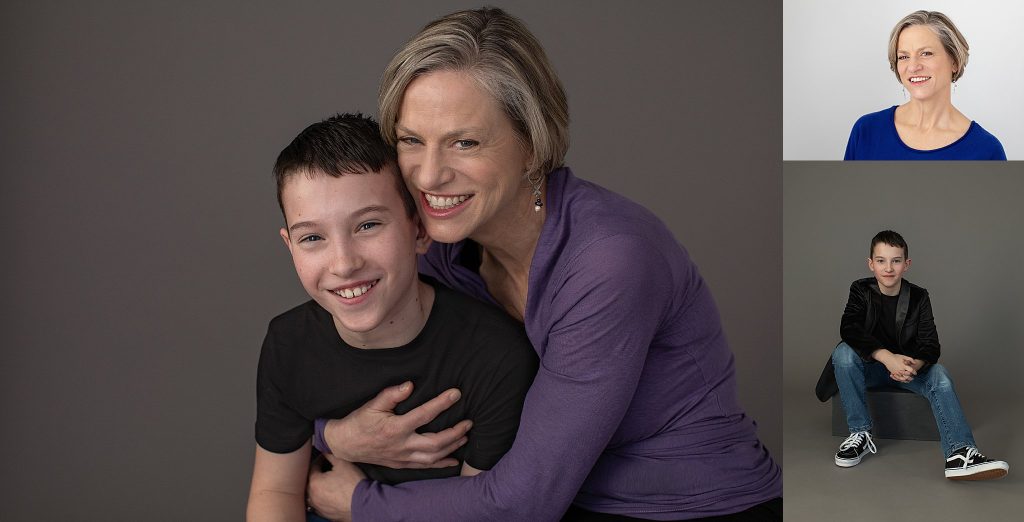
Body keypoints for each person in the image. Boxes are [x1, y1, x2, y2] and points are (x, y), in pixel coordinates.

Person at [304, 8, 782, 521]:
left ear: (532, 145)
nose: (429, 174)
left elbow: (524, 505)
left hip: (680, 506)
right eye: (411, 140)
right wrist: (336, 433)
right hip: (536, 496)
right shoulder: (437, 242)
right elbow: (329, 371)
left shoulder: (611, 260)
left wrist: (356, 503)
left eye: (465, 142)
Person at [245, 114, 538, 521]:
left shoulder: (495, 355)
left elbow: (484, 512)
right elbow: (274, 490)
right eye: (313, 237)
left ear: (419, 231)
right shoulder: (288, 342)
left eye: (368, 225)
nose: (344, 263)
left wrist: (362, 505)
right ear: (289, 245)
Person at [814, 230, 1009, 480]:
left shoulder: (918, 297)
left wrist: (910, 365)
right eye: (881, 260)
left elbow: (931, 345)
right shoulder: (860, 290)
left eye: (896, 261)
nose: (888, 268)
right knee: (843, 352)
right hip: (870, 369)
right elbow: (849, 328)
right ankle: (860, 435)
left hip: (906, 371)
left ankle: (959, 453)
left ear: (906, 264)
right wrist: (887, 357)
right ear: (870, 263)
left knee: (939, 373)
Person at [844, 10, 1006, 160]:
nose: (913, 67)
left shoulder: (986, 151)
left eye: (926, 53)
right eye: (903, 57)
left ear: (955, 61)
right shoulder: (866, 131)